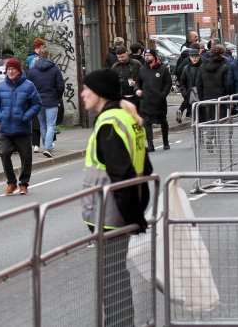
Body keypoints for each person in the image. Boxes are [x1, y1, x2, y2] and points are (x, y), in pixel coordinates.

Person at [79, 69, 152, 327]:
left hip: (109, 215)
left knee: (111, 278)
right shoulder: (126, 117)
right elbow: (146, 169)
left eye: (87, 88)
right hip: (118, 213)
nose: (82, 93)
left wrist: (133, 215)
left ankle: (120, 324)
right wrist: (138, 212)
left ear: (99, 92)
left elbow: (122, 175)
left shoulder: (109, 123)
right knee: (116, 274)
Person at [0, 58, 42, 196]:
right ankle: (11, 182)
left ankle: (24, 184)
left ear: (19, 71)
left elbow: (37, 104)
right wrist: (0, 116)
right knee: (4, 153)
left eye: (13, 69)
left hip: (23, 129)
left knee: (26, 157)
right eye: (8, 69)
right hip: (6, 128)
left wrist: (25, 117)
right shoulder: (1, 86)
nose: (10, 71)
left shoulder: (28, 85)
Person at [26, 51, 63, 157]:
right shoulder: (55, 69)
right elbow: (60, 85)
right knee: (51, 124)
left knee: (42, 125)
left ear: (39, 57)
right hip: (52, 100)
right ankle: (47, 147)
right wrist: (58, 97)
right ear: (48, 57)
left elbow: (28, 87)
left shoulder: (32, 70)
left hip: (38, 101)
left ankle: (46, 146)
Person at [136, 49, 171, 151]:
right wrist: (137, 89)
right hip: (146, 100)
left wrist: (163, 94)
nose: (147, 57)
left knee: (163, 121)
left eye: (149, 55)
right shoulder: (142, 69)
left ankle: (166, 142)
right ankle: (150, 145)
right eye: (145, 55)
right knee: (147, 122)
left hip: (159, 101)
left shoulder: (163, 69)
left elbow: (168, 83)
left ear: (154, 56)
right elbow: (138, 82)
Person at [196, 45, 228, 125]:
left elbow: (199, 83)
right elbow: (227, 84)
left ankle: (210, 136)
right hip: (221, 98)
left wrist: (201, 98)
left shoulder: (203, 66)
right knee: (221, 120)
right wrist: (229, 97)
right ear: (222, 54)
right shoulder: (224, 67)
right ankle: (218, 137)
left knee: (210, 119)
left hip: (207, 97)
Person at [176, 48, 203, 122]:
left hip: (200, 91)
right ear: (189, 57)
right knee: (188, 101)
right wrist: (184, 92)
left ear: (199, 57)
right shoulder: (186, 68)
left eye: (196, 56)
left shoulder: (203, 67)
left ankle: (183, 112)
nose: (194, 58)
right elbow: (182, 82)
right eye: (192, 57)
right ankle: (182, 113)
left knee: (196, 107)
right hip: (190, 91)